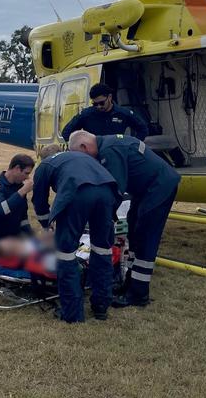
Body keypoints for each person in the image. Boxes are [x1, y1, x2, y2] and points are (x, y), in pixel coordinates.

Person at [68, 130, 180, 307]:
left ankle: (138, 295)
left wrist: (101, 217)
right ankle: (130, 284)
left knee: (145, 236)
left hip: (159, 188)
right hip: (146, 190)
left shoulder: (110, 150)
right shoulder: (108, 145)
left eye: (81, 156)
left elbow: (115, 189)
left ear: (84, 146)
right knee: (134, 232)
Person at [32, 144, 120, 323]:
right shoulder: (81, 157)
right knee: (102, 249)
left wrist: (46, 224)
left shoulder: (45, 165)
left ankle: (72, 314)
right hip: (107, 192)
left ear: (44, 158)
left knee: (65, 255)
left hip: (77, 192)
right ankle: (101, 307)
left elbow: (39, 200)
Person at [0, 154, 35, 265]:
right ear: (17, 168)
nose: (27, 178)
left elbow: (23, 217)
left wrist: (31, 238)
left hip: (13, 235)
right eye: (26, 173)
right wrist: (23, 191)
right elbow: (1, 210)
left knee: (34, 259)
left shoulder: (19, 187)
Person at [61, 83, 149, 142]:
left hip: (115, 154)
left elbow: (143, 129)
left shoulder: (123, 113)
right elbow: (66, 133)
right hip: (94, 156)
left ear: (110, 97)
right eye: (95, 104)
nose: (99, 106)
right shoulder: (86, 114)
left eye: (101, 103)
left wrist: (132, 145)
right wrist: (82, 145)